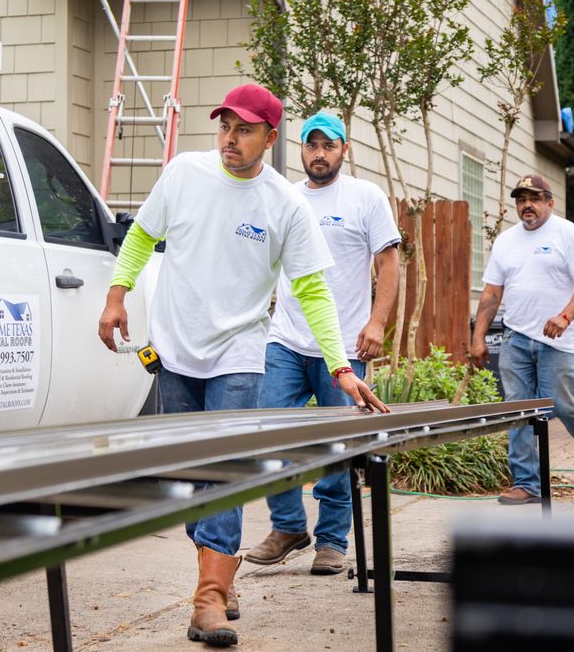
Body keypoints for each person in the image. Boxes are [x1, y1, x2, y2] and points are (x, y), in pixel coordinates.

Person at [97, 84, 389, 647]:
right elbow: (141, 235)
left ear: (270, 137)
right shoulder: (184, 174)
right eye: (225, 127)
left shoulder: (285, 204)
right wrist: (117, 295)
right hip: (176, 349)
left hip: (239, 355)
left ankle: (207, 600)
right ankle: (220, 572)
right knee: (189, 478)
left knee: (224, 471)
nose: (230, 139)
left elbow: (312, 290)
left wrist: (340, 366)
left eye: (245, 130)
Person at [243, 112, 400, 575]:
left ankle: (332, 541)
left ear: (343, 150)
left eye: (328, 145)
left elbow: (389, 265)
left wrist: (377, 323)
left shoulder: (365, 197)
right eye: (311, 145)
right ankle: (289, 525)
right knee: (269, 431)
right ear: (302, 149)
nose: (318, 153)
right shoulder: (286, 196)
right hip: (285, 339)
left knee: (339, 446)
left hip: (345, 345)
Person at [470, 174, 574, 505]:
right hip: (516, 336)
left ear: (549, 201)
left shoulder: (567, 234)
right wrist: (478, 337)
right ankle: (526, 483)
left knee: (564, 403)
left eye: (534, 198)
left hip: (557, 341)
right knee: (517, 409)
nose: (526, 205)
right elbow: (492, 292)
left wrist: (564, 317)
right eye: (521, 199)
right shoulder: (505, 241)